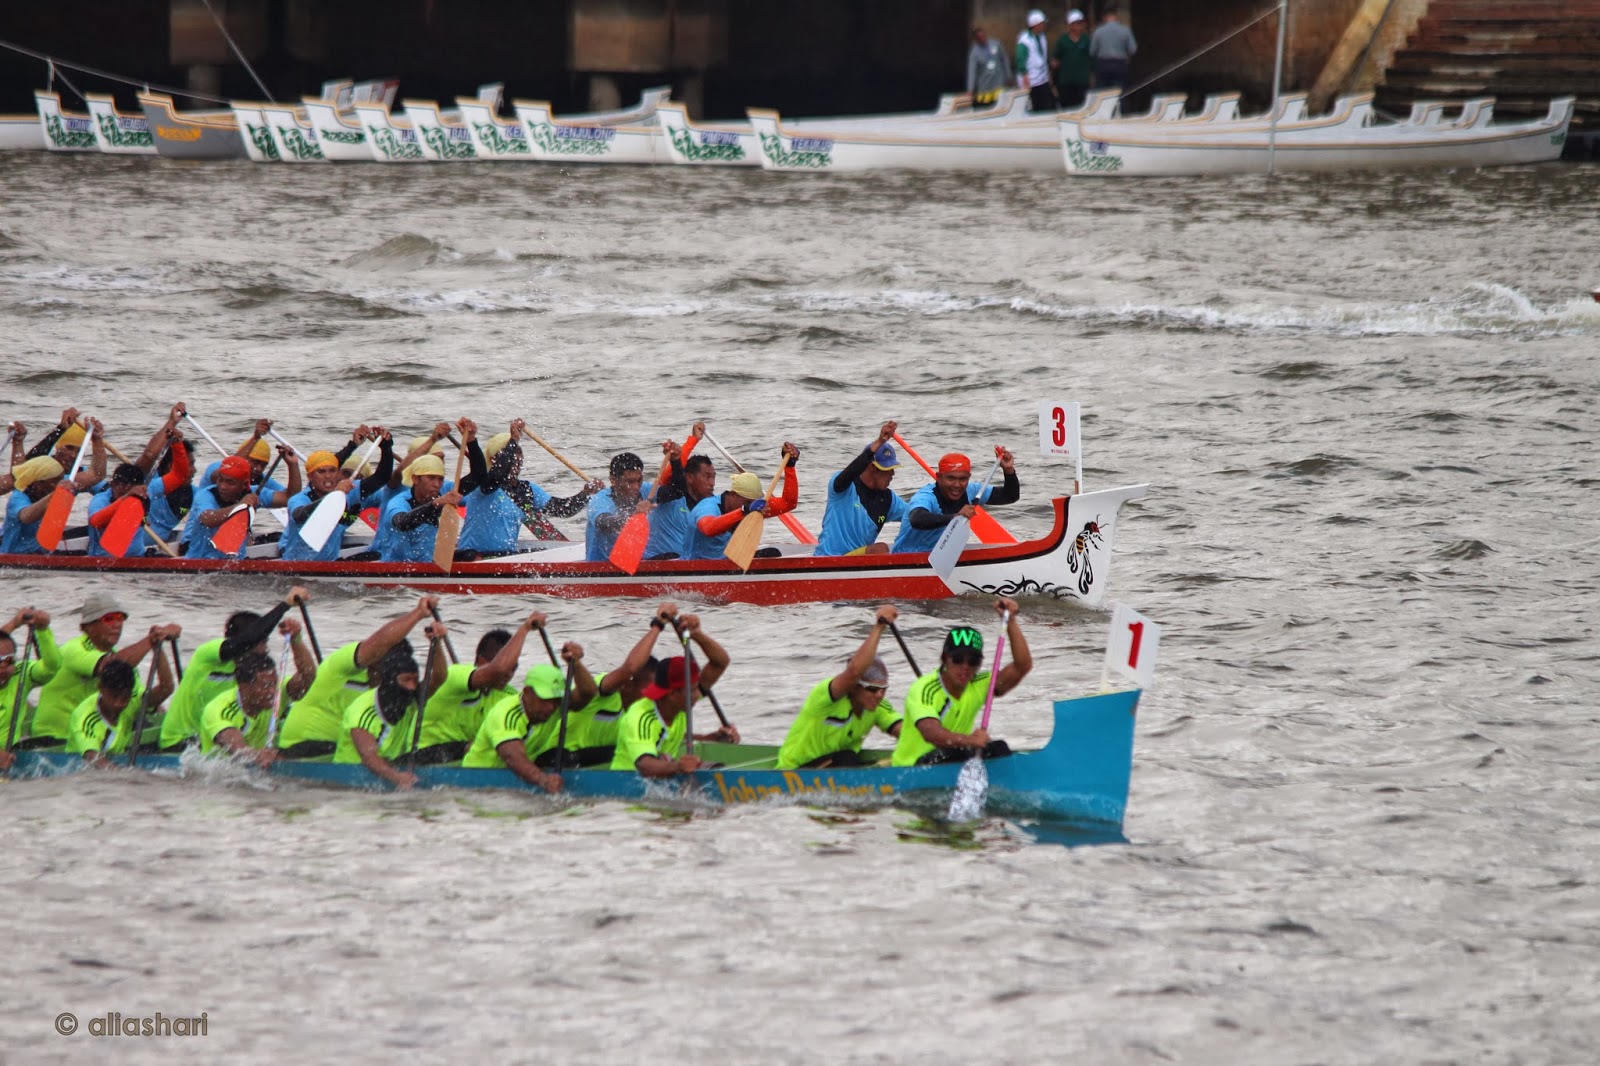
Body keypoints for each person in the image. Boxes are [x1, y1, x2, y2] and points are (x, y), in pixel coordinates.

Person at [276, 595, 441, 759]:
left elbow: (438, 679)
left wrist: (438, 642)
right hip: (303, 747)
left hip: (344, 752)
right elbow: (377, 645)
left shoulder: (396, 685)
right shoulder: (342, 666)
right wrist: (419, 613)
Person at [157, 587, 317, 751]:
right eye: (262, 642)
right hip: (185, 741)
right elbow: (245, 641)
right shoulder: (208, 655)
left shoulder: (258, 670)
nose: (266, 649)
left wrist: (296, 640)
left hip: (232, 732)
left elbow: (308, 680)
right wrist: (285, 604)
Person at [891, 599, 1031, 766]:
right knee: (951, 753)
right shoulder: (924, 688)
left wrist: (1011, 621)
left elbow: (1022, 666)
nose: (965, 667)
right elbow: (931, 733)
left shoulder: (979, 684)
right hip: (913, 767)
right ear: (944, 659)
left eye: (972, 662)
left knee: (999, 748)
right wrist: (970, 740)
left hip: (953, 757)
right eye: (958, 659)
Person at [30, 593, 179, 744]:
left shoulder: (127, 665)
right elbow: (111, 667)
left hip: (95, 737)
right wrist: (151, 639)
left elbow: (156, 695)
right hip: (55, 738)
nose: (117, 624)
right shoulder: (73, 650)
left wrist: (157, 648)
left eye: (120, 617)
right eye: (109, 619)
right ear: (87, 627)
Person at [410, 609, 549, 765]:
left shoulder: (507, 696)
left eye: (513, 668)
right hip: (422, 757)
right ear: (480, 660)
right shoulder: (456, 675)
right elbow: (499, 669)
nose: (508, 673)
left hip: (466, 763)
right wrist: (525, 629)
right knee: (476, 747)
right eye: (504, 663)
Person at [776, 605, 904, 770]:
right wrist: (880, 626)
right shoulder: (825, 697)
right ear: (855, 687)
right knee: (848, 757)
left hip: (834, 770)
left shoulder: (877, 708)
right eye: (872, 689)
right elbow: (854, 672)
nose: (879, 695)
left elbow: (906, 731)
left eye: (883, 689)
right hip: (795, 772)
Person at [610, 612, 737, 777]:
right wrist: (678, 767)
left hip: (660, 782)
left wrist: (697, 634)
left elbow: (720, 663)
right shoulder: (641, 717)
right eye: (691, 691)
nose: (697, 695)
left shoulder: (679, 704)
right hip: (625, 789)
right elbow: (645, 765)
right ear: (671, 694)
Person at [330, 621, 451, 790]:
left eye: (415, 679)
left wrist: (437, 643)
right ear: (390, 680)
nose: (412, 686)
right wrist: (398, 777)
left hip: (391, 767)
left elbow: (439, 677)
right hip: (350, 780)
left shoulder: (410, 698)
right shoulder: (363, 710)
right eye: (406, 680)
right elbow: (369, 756)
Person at [462, 642, 599, 791]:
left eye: (555, 701)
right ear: (527, 692)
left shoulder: (554, 706)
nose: (550, 707)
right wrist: (544, 781)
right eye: (544, 700)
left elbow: (588, 693)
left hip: (518, 775)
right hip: (478, 782)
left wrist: (576, 664)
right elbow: (512, 756)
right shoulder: (507, 713)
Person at [559, 603, 680, 766]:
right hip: (561, 757)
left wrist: (712, 738)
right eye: (650, 689)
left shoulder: (642, 713)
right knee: (633, 754)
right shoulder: (605, 691)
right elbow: (630, 668)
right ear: (628, 685)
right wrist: (657, 625)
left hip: (596, 764)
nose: (655, 696)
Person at [459, 418, 602, 555]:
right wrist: (514, 439)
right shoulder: (483, 486)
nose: (516, 458)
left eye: (518, 453)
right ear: (493, 459)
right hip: (473, 557)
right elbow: (496, 476)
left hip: (504, 557)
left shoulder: (527, 490)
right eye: (510, 453)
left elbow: (562, 509)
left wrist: (585, 493)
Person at [280, 436, 394, 561]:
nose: (328, 476)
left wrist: (386, 448)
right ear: (310, 476)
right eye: (321, 472)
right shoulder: (299, 499)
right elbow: (299, 515)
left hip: (329, 566)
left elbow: (381, 478)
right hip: (296, 565)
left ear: (338, 473)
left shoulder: (350, 492)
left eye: (332, 471)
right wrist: (334, 495)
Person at [889, 447, 1020, 554]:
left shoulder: (972, 490)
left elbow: (1010, 496)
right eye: (950, 478)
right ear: (938, 477)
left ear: (968, 477)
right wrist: (955, 517)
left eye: (963, 479)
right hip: (906, 557)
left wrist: (1008, 471)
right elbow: (917, 519)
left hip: (938, 557)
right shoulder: (926, 496)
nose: (957, 485)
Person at [686, 443, 799, 561]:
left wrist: (790, 466)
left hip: (728, 563)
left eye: (752, 503)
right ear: (733, 495)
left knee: (772, 553)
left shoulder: (754, 507)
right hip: (696, 565)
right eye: (747, 502)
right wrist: (744, 511)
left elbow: (788, 503)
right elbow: (708, 528)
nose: (752, 507)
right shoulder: (708, 506)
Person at [815, 421, 910, 556]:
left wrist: (947, 517)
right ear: (872, 468)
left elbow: (915, 515)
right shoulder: (843, 487)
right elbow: (853, 469)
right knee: (880, 549)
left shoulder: (888, 499)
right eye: (888, 470)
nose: (892, 474)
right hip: (830, 560)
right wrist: (878, 443)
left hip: (856, 561)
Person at [183, 449, 296, 561]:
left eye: (230, 482)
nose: (222, 486)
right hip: (199, 562)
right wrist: (240, 506)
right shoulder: (205, 495)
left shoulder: (254, 493)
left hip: (235, 563)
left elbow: (290, 498)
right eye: (220, 480)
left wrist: (292, 465)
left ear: (245, 485)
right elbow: (208, 519)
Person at [65, 651, 175, 762]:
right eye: (114, 696)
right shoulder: (85, 718)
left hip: (116, 760)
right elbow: (93, 759)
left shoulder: (133, 699)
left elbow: (166, 688)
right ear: (100, 688)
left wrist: (159, 651)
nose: (118, 703)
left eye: (124, 698)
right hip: (79, 767)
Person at [196, 651, 294, 767]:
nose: (273, 692)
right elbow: (239, 750)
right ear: (243, 686)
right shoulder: (218, 710)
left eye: (275, 684)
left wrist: (296, 640)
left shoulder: (275, 696)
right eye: (266, 686)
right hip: (218, 774)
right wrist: (258, 756)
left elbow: (307, 679)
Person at [0, 608, 59, 766]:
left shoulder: (20, 675)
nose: (4, 667)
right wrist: (13, 624)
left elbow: (51, 668)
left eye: (9, 660)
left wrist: (43, 631)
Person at [380, 452, 462, 564]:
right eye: (431, 478)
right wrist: (434, 505)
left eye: (440, 479)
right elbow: (402, 523)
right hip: (395, 568)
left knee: (469, 554)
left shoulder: (440, 497)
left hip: (426, 565)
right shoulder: (398, 502)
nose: (437, 484)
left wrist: (471, 441)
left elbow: (477, 479)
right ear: (415, 479)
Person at [643, 423, 706, 560]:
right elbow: (672, 480)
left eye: (713, 477)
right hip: (657, 559)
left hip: (683, 560)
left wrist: (693, 440)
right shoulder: (657, 493)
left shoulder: (708, 503)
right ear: (689, 478)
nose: (711, 483)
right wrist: (678, 457)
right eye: (707, 477)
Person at [585, 452, 651, 562]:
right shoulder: (600, 500)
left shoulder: (645, 490)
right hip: (601, 567)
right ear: (613, 480)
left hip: (631, 563)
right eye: (629, 482)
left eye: (639, 480)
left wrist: (675, 461)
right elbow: (603, 523)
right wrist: (633, 516)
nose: (636, 487)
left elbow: (675, 492)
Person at [1, 456, 66, 555]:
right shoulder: (18, 498)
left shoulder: (53, 488)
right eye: (56, 481)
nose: (60, 483)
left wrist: (96, 442)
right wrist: (53, 496)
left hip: (40, 555)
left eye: (61, 479)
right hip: (13, 556)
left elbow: (94, 476)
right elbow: (27, 516)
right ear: (38, 484)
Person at [1015, 10, 1056, 113]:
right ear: (1035, 25)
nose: (1044, 26)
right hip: (1030, 79)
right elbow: (1020, 59)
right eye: (1042, 23)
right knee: (1032, 106)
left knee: (1046, 105)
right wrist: (1024, 74)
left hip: (1042, 77)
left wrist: (1048, 74)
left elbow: (1044, 56)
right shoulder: (1024, 40)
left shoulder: (1042, 37)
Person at [1090, 8, 1137, 92]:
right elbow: (1133, 49)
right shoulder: (1125, 30)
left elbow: (1092, 51)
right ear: (1116, 17)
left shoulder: (1098, 31)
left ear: (1104, 18)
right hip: (1120, 64)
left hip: (1103, 64)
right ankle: (1121, 104)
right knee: (1120, 92)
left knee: (1102, 93)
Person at [1052, 10, 1093, 108]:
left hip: (1082, 81)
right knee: (1067, 106)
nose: (1079, 26)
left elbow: (1092, 59)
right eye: (1076, 24)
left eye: (1080, 23)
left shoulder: (1086, 40)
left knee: (1082, 105)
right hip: (1066, 81)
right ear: (1070, 25)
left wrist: (1092, 76)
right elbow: (1055, 60)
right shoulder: (1062, 40)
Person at [966, 27, 1012, 108]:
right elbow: (972, 72)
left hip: (998, 82)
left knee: (1001, 104)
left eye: (983, 36)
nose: (983, 39)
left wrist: (1009, 76)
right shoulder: (974, 53)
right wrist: (970, 89)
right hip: (985, 86)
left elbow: (1004, 60)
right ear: (976, 39)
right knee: (986, 105)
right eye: (980, 38)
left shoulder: (996, 44)